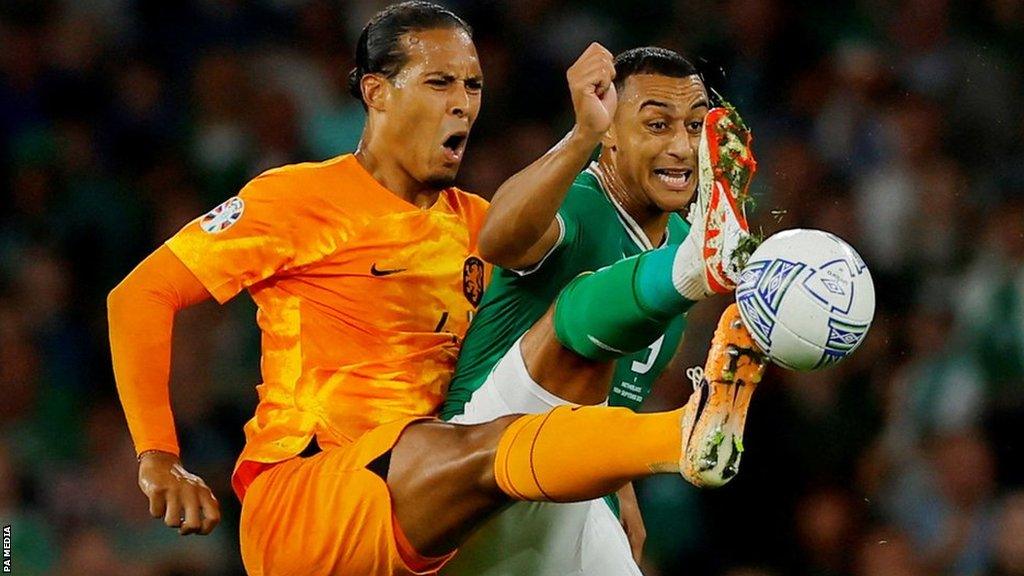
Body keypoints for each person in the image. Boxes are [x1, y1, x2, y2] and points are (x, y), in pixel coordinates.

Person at [108, 3, 764, 574]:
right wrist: (159, 455)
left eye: (474, 85)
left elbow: (554, 366)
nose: (463, 103)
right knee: (460, 443)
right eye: (441, 81)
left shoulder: (472, 223)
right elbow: (139, 295)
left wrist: (606, 483)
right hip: (310, 501)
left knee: (512, 407)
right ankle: (679, 438)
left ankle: (658, 440)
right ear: (378, 91)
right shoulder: (299, 199)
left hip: (432, 506)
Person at [440, 46, 759, 576]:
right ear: (611, 131)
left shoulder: (680, 234)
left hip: (575, 482)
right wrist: (581, 134)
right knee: (578, 318)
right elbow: (496, 239)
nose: (682, 146)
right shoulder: (579, 204)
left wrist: (618, 481)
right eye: (657, 124)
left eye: (696, 125)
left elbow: (614, 392)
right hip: (485, 454)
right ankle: (670, 436)